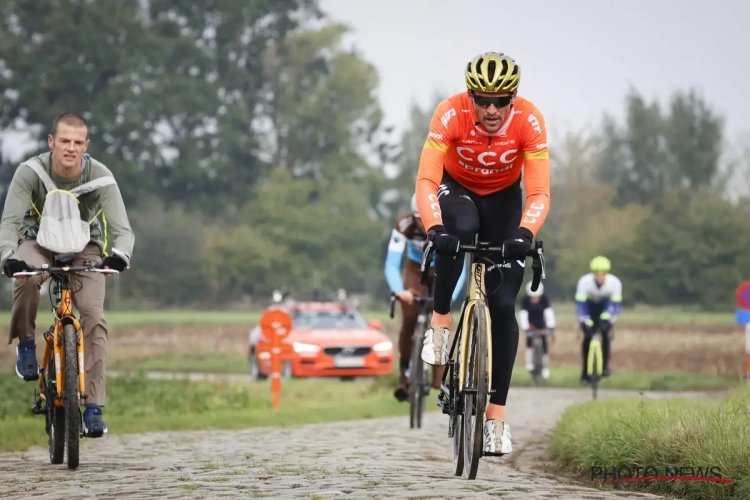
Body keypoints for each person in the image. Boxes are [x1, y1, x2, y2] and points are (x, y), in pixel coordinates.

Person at [414, 51, 551, 456]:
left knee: (505, 303)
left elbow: (539, 191)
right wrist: (434, 228)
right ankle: (441, 320)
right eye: (482, 99)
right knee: (459, 230)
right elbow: (426, 179)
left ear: (513, 99)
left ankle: (496, 418)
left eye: (501, 100)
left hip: (505, 201)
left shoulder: (529, 120)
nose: (491, 109)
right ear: (470, 96)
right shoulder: (450, 113)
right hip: (457, 192)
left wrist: (526, 233)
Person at [0, 112, 135, 437]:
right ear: (52, 142)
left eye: (78, 142)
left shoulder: (100, 176)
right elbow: (9, 223)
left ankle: (93, 408)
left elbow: (123, 230)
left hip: (84, 247)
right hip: (37, 241)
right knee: (28, 277)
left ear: (85, 146)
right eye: (64, 141)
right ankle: (27, 344)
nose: (70, 148)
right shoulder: (30, 172)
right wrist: (9, 257)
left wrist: (119, 256)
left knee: (94, 315)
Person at [384, 193, 467, 402]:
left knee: (440, 318)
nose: (423, 224)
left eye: (426, 218)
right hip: (415, 269)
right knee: (410, 317)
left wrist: (450, 296)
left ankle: (439, 377)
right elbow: (392, 263)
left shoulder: (448, 223)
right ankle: (403, 376)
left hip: (442, 267)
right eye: (419, 219)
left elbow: (461, 268)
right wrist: (399, 291)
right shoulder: (404, 224)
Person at [575, 256, 622, 384]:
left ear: (606, 274)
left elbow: (615, 305)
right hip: (589, 309)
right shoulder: (584, 282)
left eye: (603, 274)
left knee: (605, 335)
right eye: (597, 274)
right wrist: (585, 320)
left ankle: (605, 366)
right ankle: (585, 372)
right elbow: (580, 305)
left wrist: (608, 319)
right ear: (593, 274)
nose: (600, 277)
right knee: (587, 338)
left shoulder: (615, 283)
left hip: (605, 309)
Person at [518, 281, 556, 379]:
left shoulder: (545, 300)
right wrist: (526, 328)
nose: (535, 299)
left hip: (541, 324)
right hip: (530, 324)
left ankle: (545, 367)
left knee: (544, 343)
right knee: (529, 341)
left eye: (537, 297)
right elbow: (523, 315)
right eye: (533, 297)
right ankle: (529, 363)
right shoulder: (525, 301)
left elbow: (549, 314)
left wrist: (550, 327)